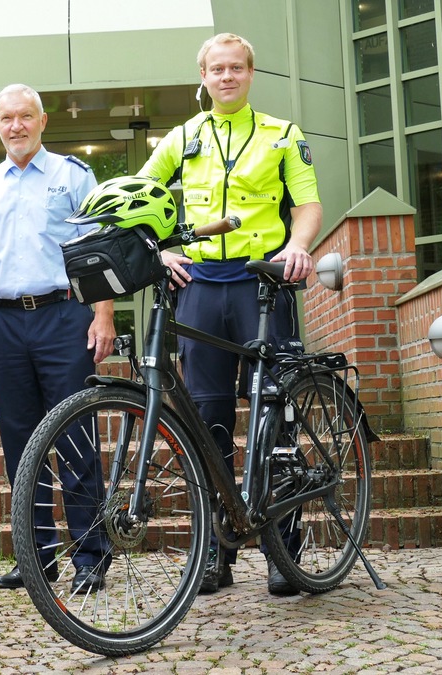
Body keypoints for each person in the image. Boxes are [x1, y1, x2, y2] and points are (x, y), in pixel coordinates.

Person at [138, 33, 323, 596]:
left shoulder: (282, 135)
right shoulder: (182, 137)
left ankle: (281, 552)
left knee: (277, 416)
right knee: (207, 421)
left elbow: (309, 203)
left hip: (262, 285)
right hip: (198, 285)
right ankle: (217, 555)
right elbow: (140, 195)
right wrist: (158, 247)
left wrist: (298, 244)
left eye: (236, 68)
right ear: (203, 76)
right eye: (216, 69)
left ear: (249, 73)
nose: (226, 77)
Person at [0, 83, 113, 594]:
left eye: (25, 116)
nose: (16, 126)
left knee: (75, 439)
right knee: (21, 446)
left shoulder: (74, 175)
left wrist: (103, 315)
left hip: (64, 318)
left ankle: (91, 555)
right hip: (3, 325)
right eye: (6, 118)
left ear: (43, 120)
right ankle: (36, 558)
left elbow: (100, 244)